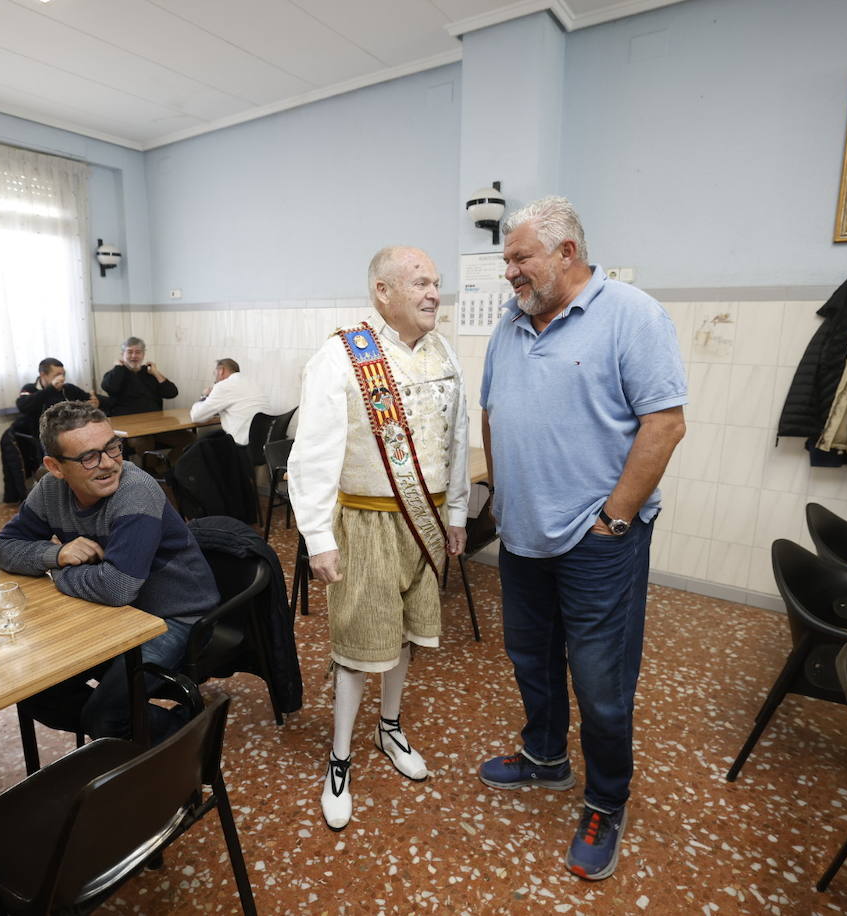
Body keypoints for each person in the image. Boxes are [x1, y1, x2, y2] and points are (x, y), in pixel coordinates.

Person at [476, 197, 687, 881]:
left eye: (519, 257)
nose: (508, 271)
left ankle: (605, 799)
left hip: (599, 541)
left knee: (600, 683)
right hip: (523, 536)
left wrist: (615, 520)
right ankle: (543, 758)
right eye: (507, 259)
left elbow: (665, 425)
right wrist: (506, 501)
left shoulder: (631, 314)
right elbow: (492, 415)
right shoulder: (507, 329)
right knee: (530, 659)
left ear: (566, 252)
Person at [288, 246, 469, 831]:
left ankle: (390, 729)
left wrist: (460, 511)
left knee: (409, 634)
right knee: (357, 641)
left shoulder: (444, 352)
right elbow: (311, 454)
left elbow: (457, 438)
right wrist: (318, 535)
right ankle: (339, 758)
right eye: (420, 282)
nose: (434, 293)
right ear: (383, 292)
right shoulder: (341, 357)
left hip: (429, 522)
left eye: (437, 282)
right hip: (364, 522)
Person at [0, 400, 219, 741]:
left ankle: (193, 738)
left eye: (113, 447)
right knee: (38, 694)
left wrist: (57, 572)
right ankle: (126, 734)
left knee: (108, 717)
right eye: (88, 457)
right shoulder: (50, 490)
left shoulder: (135, 491)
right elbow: (3, 546)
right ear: (55, 466)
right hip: (113, 615)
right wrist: (57, 552)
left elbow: (117, 586)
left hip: (173, 617)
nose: (109, 464)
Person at [0, 357, 101, 503]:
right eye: (57, 375)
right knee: (63, 458)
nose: (62, 378)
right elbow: (24, 406)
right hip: (41, 436)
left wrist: (96, 401)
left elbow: (88, 398)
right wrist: (51, 389)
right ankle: (56, 498)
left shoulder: (67, 388)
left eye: (63, 374)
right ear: (43, 375)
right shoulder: (30, 388)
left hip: (71, 434)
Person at [189, 358, 270, 446]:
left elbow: (197, 416)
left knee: (197, 447)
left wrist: (204, 396)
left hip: (240, 445)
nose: (215, 378)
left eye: (214, 373)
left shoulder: (223, 386)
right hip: (260, 442)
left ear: (221, 371)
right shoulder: (253, 383)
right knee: (205, 439)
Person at [100, 337, 178, 416]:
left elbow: (172, 393)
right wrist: (118, 367)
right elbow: (109, 387)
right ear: (123, 354)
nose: (134, 356)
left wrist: (156, 373)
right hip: (125, 421)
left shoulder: (150, 373)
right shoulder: (115, 373)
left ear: (143, 355)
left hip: (153, 420)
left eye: (138, 352)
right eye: (129, 352)